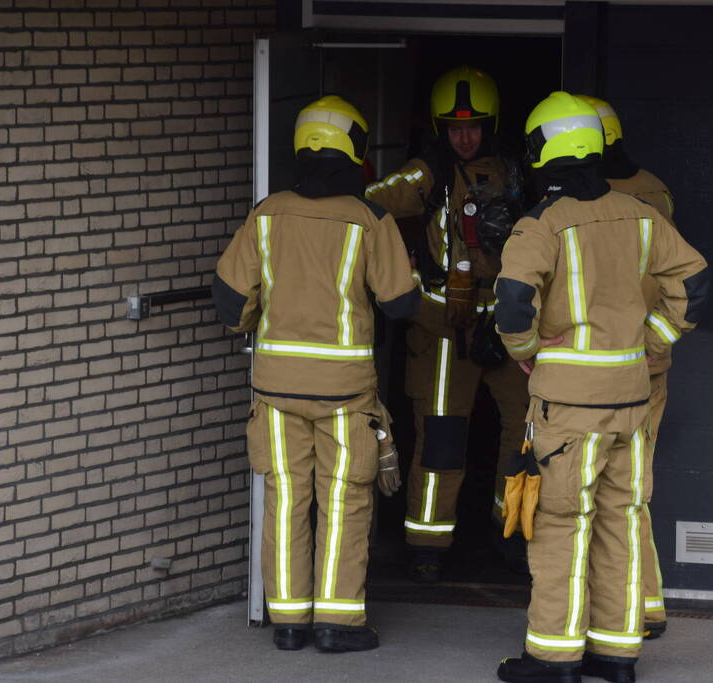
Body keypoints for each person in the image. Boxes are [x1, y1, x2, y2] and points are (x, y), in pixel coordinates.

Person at [494, 92, 709, 683]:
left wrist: (528, 356)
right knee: (621, 517)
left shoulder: (541, 224)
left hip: (568, 408)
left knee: (561, 524)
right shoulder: (642, 214)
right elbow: (696, 284)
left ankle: (554, 659)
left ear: (543, 152)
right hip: (632, 397)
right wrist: (651, 342)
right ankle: (617, 657)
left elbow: (513, 304)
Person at [212, 95, 418, 652]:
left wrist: (262, 315)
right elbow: (401, 303)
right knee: (346, 502)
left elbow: (231, 303)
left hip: (275, 392)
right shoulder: (369, 220)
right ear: (356, 149)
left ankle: (288, 623)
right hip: (346, 397)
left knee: (285, 501)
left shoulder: (267, 212)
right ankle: (338, 623)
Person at [366, 66, 530, 581]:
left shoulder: (517, 171)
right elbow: (366, 205)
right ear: (439, 129)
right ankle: (426, 546)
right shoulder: (427, 171)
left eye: (475, 126)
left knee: (524, 433)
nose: (464, 136)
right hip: (444, 328)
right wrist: (407, 276)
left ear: (492, 125)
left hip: (508, 323)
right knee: (440, 437)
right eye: (454, 127)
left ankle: (514, 536)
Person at [575, 94, 677, 640]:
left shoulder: (595, 203)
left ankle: (622, 609)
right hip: (644, 364)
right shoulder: (654, 190)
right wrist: (655, 341)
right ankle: (645, 603)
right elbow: (678, 280)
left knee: (599, 501)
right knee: (631, 493)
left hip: (603, 374)